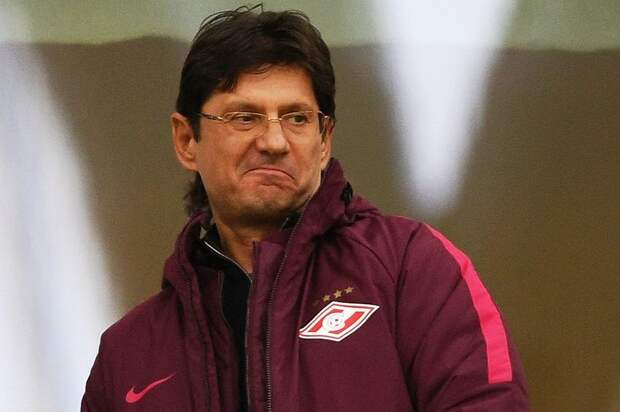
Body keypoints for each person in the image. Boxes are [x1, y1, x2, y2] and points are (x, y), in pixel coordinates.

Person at [82, 5, 528, 411]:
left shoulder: (412, 267)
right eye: (244, 117)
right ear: (186, 140)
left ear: (324, 141)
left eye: (297, 118)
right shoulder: (127, 353)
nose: (274, 141)